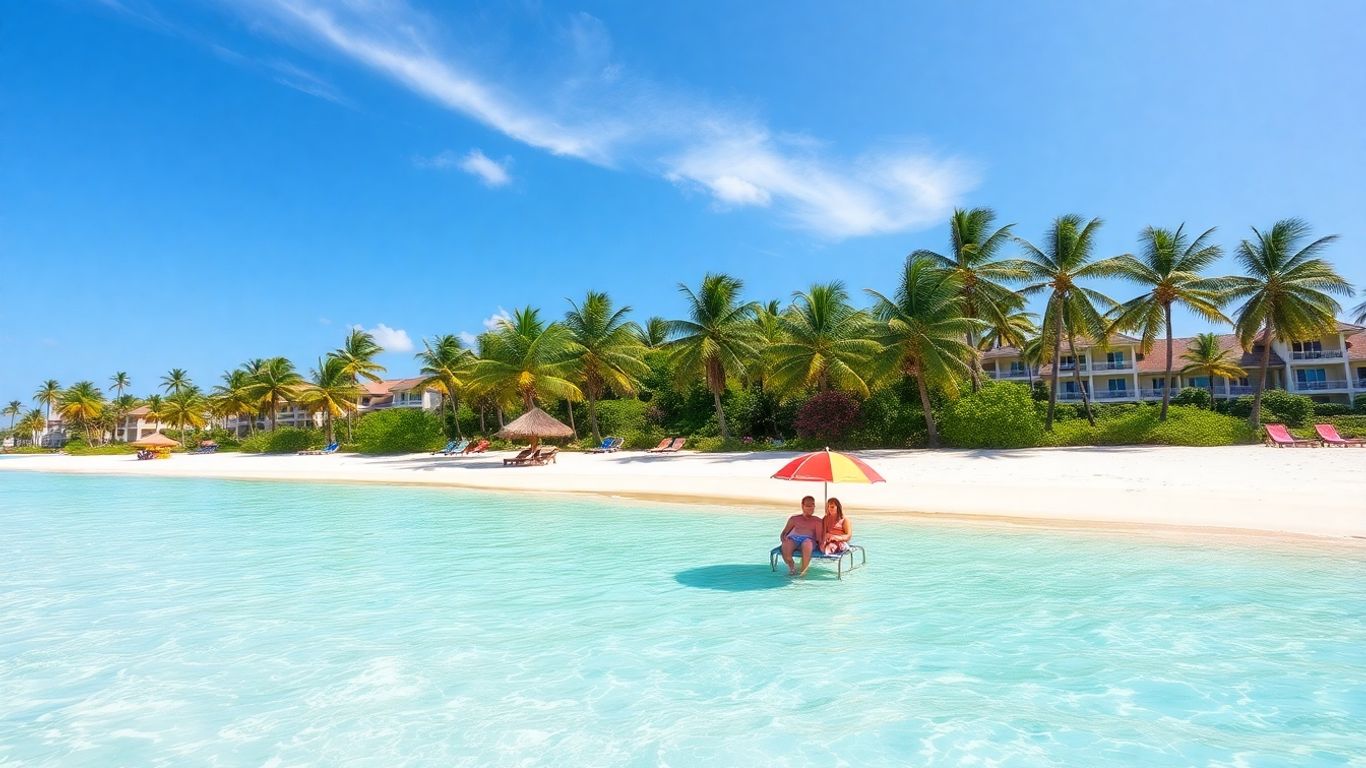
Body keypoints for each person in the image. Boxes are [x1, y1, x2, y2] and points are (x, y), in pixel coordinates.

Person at [779, 495, 823, 576]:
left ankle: (803, 572)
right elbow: (784, 533)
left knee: (807, 544)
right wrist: (783, 539)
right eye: (808, 506)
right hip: (794, 539)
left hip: (808, 540)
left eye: (812, 505)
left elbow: (819, 538)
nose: (810, 508)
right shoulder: (794, 519)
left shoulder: (817, 521)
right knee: (786, 546)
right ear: (802, 506)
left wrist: (823, 546)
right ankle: (792, 567)